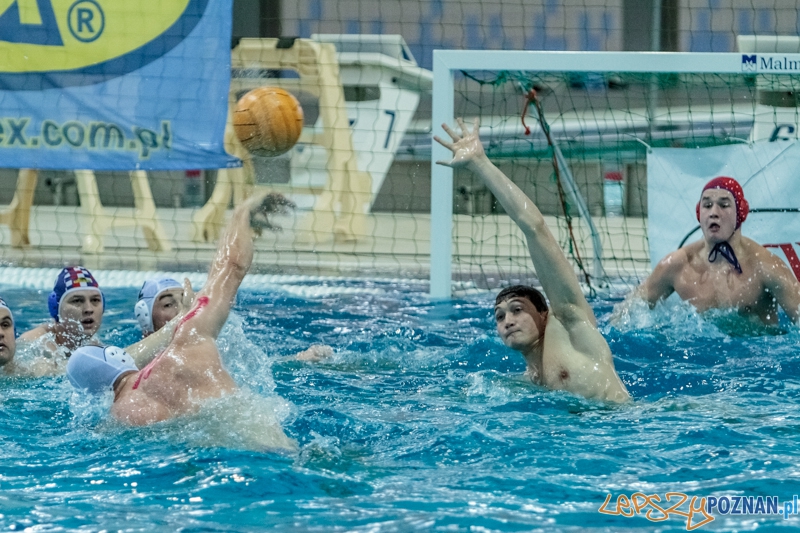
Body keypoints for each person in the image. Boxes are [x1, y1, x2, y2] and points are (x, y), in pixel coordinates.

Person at [67, 192, 314, 429]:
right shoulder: (191, 337)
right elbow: (231, 265)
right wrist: (242, 212)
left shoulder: (120, 415)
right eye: (167, 303)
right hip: (262, 437)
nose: (179, 307)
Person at [434, 118, 630, 403]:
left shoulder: (569, 322)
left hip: (626, 427)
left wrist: (480, 164)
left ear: (543, 314)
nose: (508, 321)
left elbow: (535, 227)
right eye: (500, 316)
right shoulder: (525, 384)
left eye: (517, 310)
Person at [631, 177, 800, 326]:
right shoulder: (677, 265)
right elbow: (627, 315)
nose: (714, 213)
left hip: (756, 355)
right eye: (707, 205)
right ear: (699, 213)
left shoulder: (765, 266)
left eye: (724, 205)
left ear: (740, 212)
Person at [19, 266, 104, 357]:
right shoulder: (34, 343)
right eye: (77, 301)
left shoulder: (94, 345)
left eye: (95, 300)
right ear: (55, 308)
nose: (89, 309)